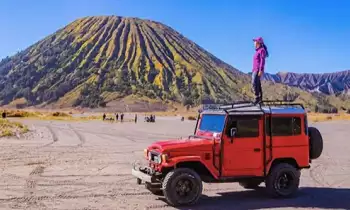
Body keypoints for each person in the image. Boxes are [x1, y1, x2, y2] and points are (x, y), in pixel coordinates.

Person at [252, 37, 269, 104]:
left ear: (259, 42)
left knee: (254, 83)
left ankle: (257, 98)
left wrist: (260, 70)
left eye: (255, 41)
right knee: (257, 84)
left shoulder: (262, 50)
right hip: (254, 69)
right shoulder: (257, 51)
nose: (254, 43)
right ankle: (259, 100)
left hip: (257, 70)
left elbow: (262, 60)